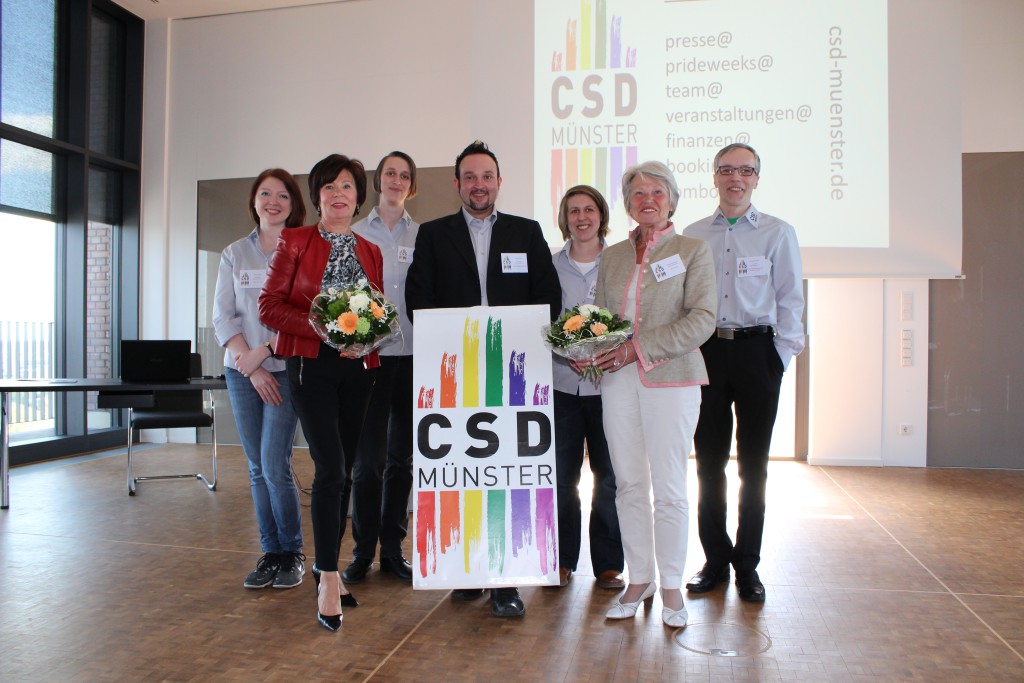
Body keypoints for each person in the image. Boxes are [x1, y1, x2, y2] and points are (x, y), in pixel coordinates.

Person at [405, 140, 562, 617]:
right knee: (461, 475)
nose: (479, 184)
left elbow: (549, 298)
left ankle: (506, 580)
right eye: (469, 177)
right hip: (454, 377)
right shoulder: (433, 234)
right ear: (457, 184)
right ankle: (466, 572)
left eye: (486, 176)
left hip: (514, 376)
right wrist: (459, 337)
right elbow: (418, 299)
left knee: (508, 475)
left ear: (499, 182)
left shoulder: (527, 232)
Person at [258, 154, 384, 632]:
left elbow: (375, 309)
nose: (339, 194)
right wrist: (319, 324)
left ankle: (328, 565)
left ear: (357, 197)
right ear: (317, 196)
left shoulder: (370, 249)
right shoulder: (295, 241)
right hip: (312, 366)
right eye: (329, 186)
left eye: (347, 186)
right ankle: (328, 576)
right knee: (329, 469)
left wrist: (371, 332)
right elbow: (269, 306)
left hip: (360, 368)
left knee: (347, 471)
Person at [591, 161, 716, 628]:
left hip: (672, 378)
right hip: (618, 381)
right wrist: (589, 348)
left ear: (672, 199)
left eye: (657, 191)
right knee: (626, 484)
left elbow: (702, 318)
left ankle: (671, 587)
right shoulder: (614, 255)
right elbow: (602, 316)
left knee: (669, 489)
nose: (647, 199)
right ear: (628, 203)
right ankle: (638, 578)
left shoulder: (693, 250)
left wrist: (636, 349)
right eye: (638, 192)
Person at [682, 143, 804, 603]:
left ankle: (747, 565)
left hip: (758, 355)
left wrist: (780, 357)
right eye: (727, 170)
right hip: (708, 354)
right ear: (714, 177)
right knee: (709, 464)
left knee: (755, 467)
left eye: (745, 171)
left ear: (757, 178)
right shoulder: (693, 235)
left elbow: (791, 299)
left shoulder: (778, 232)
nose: (736, 178)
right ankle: (715, 560)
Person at [213, 168, 306, 590]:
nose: (273, 201)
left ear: (292, 203)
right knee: (255, 468)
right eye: (265, 193)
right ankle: (269, 553)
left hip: (284, 370)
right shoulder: (234, 253)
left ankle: (293, 552)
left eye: (282, 195)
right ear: (254, 200)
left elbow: (307, 314)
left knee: (274, 464)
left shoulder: (302, 250)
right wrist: (247, 364)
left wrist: (264, 355)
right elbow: (223, 315)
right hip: (241, 372)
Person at [343, 152, 420, 584]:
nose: (396, 180)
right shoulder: (352, 233)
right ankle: (361, 551)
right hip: (366, 361)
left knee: (400, 461)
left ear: (411, 185)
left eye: (404, 175)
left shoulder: (423, 236)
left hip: (411, 359)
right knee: (366, 462)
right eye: (390, 173)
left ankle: (393, 550)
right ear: (378, 180)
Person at [550, 185, 625, 591]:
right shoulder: (549, 265)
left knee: (609, 478)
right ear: (565, 218)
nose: (582, 217)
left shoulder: (620, 262)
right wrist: (565, 351)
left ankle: (609, 565)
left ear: (601, 215)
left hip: (611, 386)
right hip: (562, 387)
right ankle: (562, 560)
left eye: (589, 209)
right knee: (562, 478)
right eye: (573, 210)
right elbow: (543, 323)